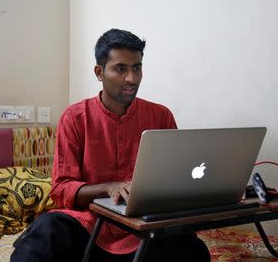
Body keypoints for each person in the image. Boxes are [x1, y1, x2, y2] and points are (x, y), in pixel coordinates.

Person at [11, 29, 210, 261]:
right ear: (99, 72)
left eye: (137, 68)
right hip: (88, 227)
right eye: (121, 68)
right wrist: (110, 187)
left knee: (194, 250)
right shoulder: (75, 117)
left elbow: (177, 178)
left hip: (144, 231)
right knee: (45, 232)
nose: (132, 78)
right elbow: (61, 189)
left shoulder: (160, 116)